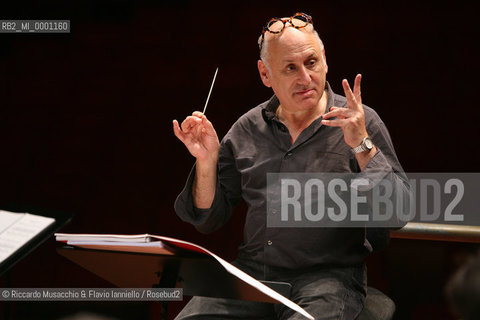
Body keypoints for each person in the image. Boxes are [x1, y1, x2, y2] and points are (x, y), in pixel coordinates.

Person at [173, 12, 408, 320]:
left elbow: (398, 213)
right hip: (254, 274)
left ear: (324, 59)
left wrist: (361, 144)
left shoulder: (362, 122)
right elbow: (207, 218)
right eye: (290, 68)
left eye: (311, 63)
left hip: (328, 279)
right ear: (265, 74)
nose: (305, 78)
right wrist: (206, 162)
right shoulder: (247, 128)